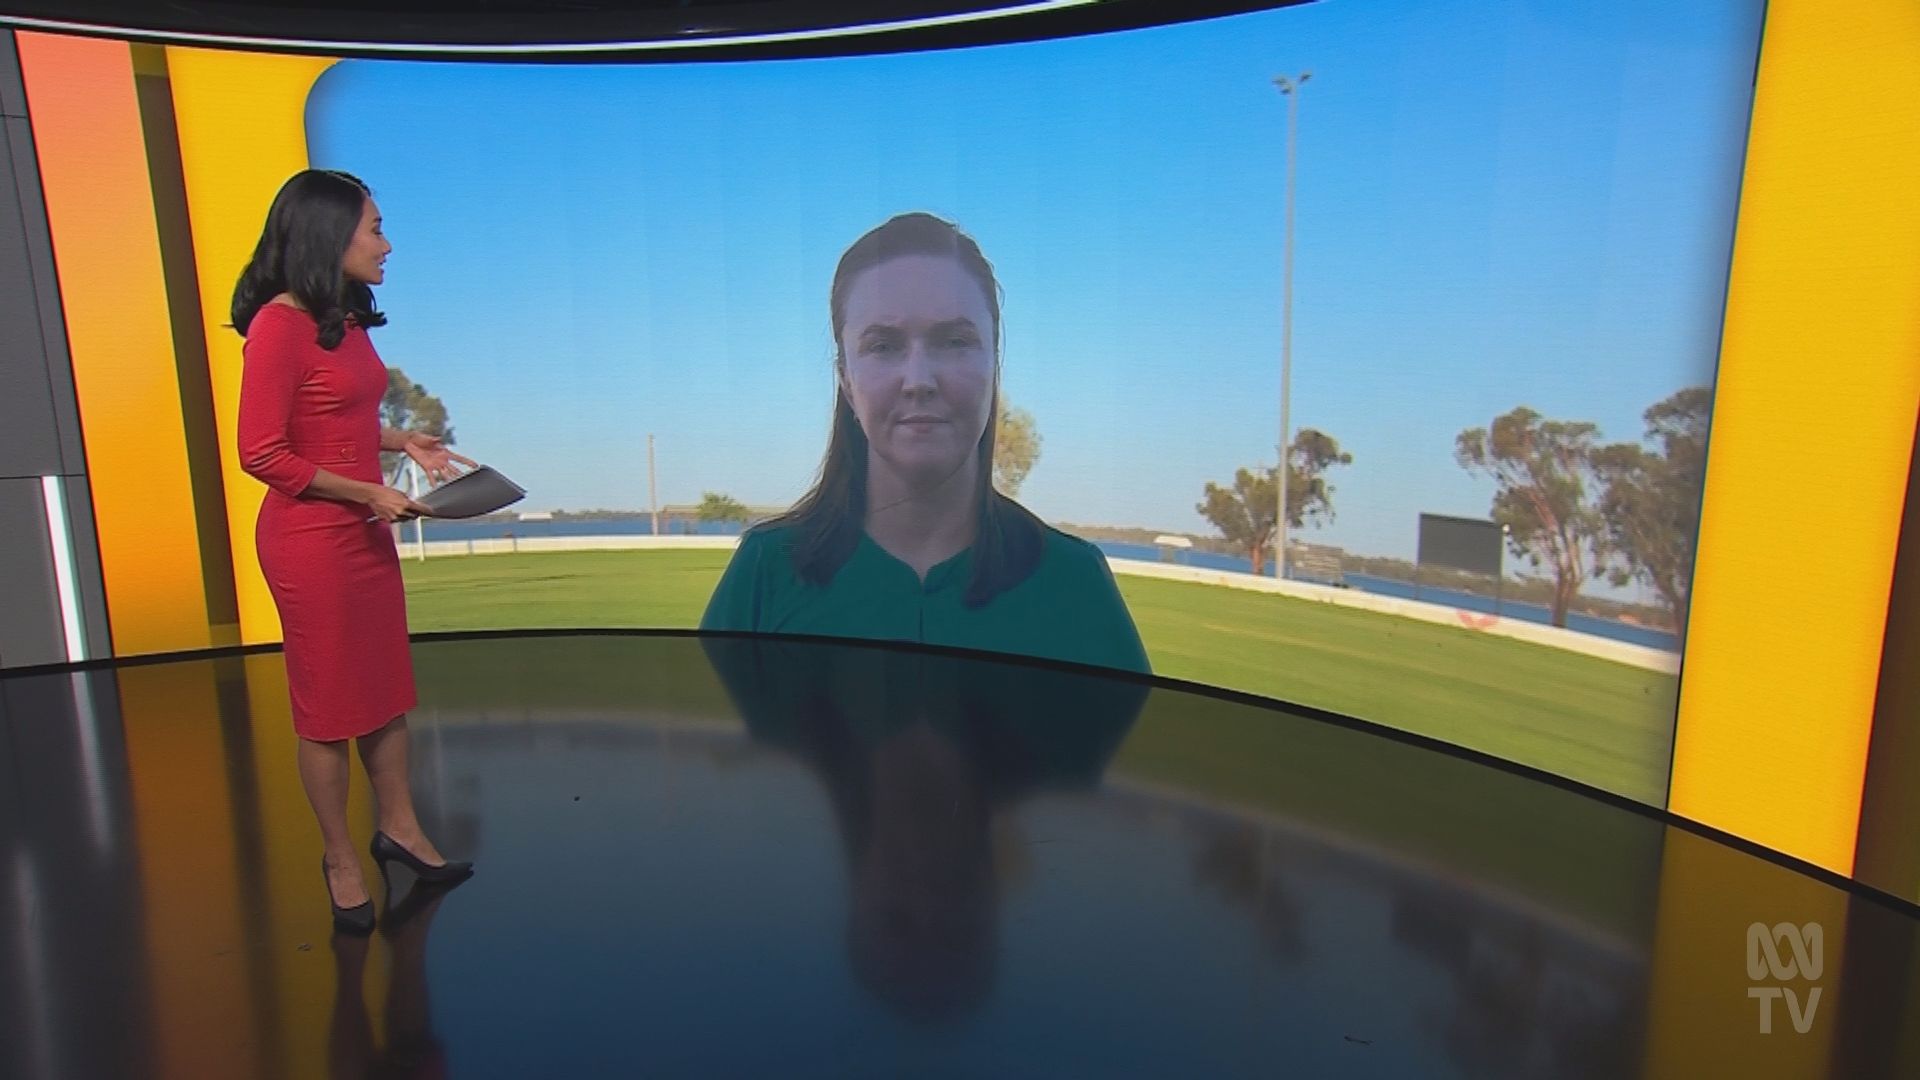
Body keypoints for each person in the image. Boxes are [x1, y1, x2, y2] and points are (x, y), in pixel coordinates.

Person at [700, 212, 1149, 673]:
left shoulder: (1075, 587)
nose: (919, 380)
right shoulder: (765, 573)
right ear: (846, 380)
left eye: (954, 341)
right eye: (883, 346)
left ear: (994, 365)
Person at [233, 169, 474, 932]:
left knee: (382, 692)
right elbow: (261, 452)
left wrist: (402, 442)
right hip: (310, 542)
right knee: (328, 710)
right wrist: (367, 492)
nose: (387, 244)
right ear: (328, 235)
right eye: (375, 228)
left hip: (363, 537)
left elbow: (334, 417)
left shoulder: (341, 320)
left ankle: (399, 829)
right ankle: (340, 858)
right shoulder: (277, 327)